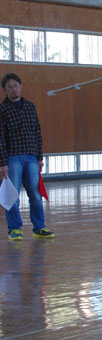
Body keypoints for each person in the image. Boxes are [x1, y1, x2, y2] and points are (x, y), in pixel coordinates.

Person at [0, 73, 54, 241]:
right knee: (12, 196)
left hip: (31, 157)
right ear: (5, 90)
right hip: (12, 158)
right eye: (9, 87)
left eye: (16, 85)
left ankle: (39, 227)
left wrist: (39, 157)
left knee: (36, 195)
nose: (13, 89)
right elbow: (0, 137)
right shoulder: (2, 109)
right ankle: (14, 229)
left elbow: (37, 131)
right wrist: (3, 163)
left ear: (21, 87)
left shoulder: (30, 106)